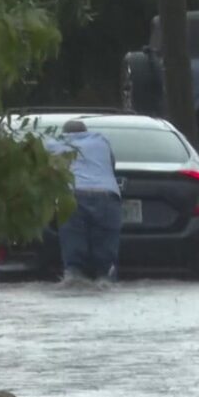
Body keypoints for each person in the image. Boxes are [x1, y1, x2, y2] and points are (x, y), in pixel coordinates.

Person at [44, 119, 122, 284]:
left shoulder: (53, 144)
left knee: (74, 256)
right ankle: (105, 278)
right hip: (107, 195)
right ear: (85, 131)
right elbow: (111, 166)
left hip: (73, 196)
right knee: (106, 260)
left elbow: (46, 174)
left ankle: (74, 277)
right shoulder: (101, 141)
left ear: (64, 133)